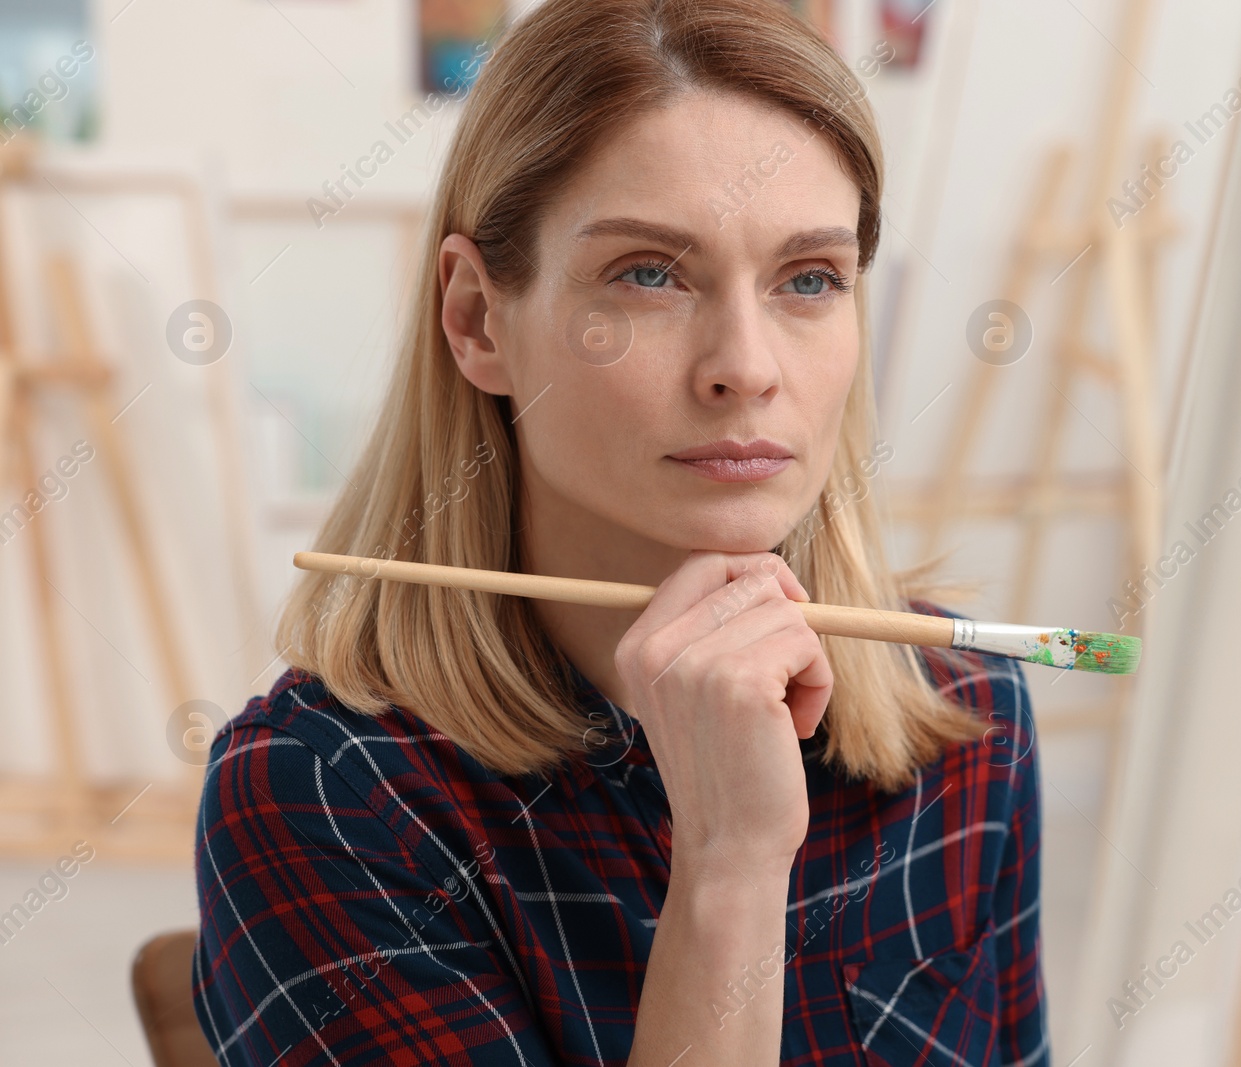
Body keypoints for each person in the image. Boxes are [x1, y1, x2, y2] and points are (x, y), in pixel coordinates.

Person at [192, 1, 1048, 1063]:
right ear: (476, 318)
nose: (746, 364)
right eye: (649, 273)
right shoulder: (324, 796)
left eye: (809, 279)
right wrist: (729, 869)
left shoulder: (965, 707)